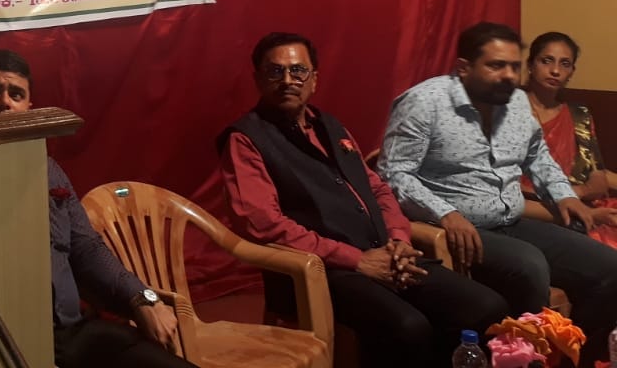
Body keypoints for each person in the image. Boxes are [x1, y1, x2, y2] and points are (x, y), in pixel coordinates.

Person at [218, 33, 508, 368]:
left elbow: (378, 189)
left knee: (485, 306)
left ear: (314, 79)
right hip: (320, 271)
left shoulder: (329, 126)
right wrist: (357, 260)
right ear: (257, 79)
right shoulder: (246, 139)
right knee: (407, 328)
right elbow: (263, 225)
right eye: (275, 71)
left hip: (385, 254)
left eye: (298, 71)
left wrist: (399, 241)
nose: (287, 80)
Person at [380, 22, 617, 366]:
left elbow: (537, 156)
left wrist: (564, 195)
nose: (508, 75)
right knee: (528, 265)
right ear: (464, 68)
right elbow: (394, 174)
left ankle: (569, 357)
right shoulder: (425, 102)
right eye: (496, 65)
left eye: (514, 66)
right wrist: (445, 213)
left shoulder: (516, 102)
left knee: (610, 267)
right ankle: (518, 360)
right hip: (456, 226)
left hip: (511, 220)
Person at [0, 49, 198, 368]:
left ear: (29, 107)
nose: (5, 103)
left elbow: (86, 247)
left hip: (72, 333)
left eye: (16, 94)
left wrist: (143, 296)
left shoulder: (48, 170)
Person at [521, 31, 617, 248]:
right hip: (537, 207)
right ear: (530, 65)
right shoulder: (509, 112)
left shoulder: (579, 114)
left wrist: (588, 189)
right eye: (547, 61)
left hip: (586, 203)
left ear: (572, 72)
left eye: (565, 64)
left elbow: (598, 177)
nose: (555, 70)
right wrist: (580, 191)